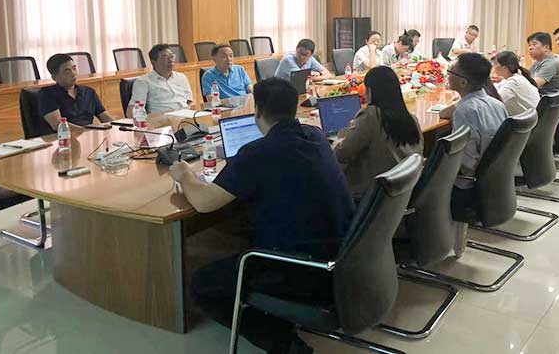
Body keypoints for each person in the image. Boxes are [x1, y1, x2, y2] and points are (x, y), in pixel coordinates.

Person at [169, 78, 355, 354]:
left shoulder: (257, 152)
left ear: (257, 111)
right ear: (294, 108)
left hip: (302, 269)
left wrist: (185, 175)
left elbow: (205, 203)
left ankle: (284, 344)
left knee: (202, 284)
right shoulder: (315, 136)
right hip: (343, 256)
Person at [334, 66, 423, 197]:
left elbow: (341, 154)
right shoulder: (411, 118)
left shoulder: (371, 116)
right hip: (402, 193)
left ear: (370, 91)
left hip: (371, 194)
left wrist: (342, 136)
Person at [438, 54, 508, 220]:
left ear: (463, 82)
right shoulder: (497, 104)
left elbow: (466, 162)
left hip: (468, 186)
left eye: (450, 72)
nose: (447, 74)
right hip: (495, 178)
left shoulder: (466, 111)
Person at [38, 54, 113, 130]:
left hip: (88, 134)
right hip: (64, 136)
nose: (73, 73)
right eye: (67, 71)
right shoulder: (47, 94)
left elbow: (104, 116)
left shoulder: (88, 92)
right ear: (54, 77)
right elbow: (58, 124)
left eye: (74, 68)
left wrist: (117, 125)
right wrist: (86, 132)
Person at [127, 44, 193, 116]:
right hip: (163, 119)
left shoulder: (181, 77)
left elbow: (189, 101)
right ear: (153, 62)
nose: (171, 60)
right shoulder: (143, 82)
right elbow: (133, 111)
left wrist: (186, 113)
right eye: (165, 57)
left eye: (172, 56)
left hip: (186, 117)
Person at [491, 51, 540, 116]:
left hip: (529, 120)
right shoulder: (514, 78)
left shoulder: (514, 82)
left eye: (495, 64)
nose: (493, 66)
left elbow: (495, 100)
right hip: (532, 118)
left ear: (505, 67)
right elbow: (496, 87)